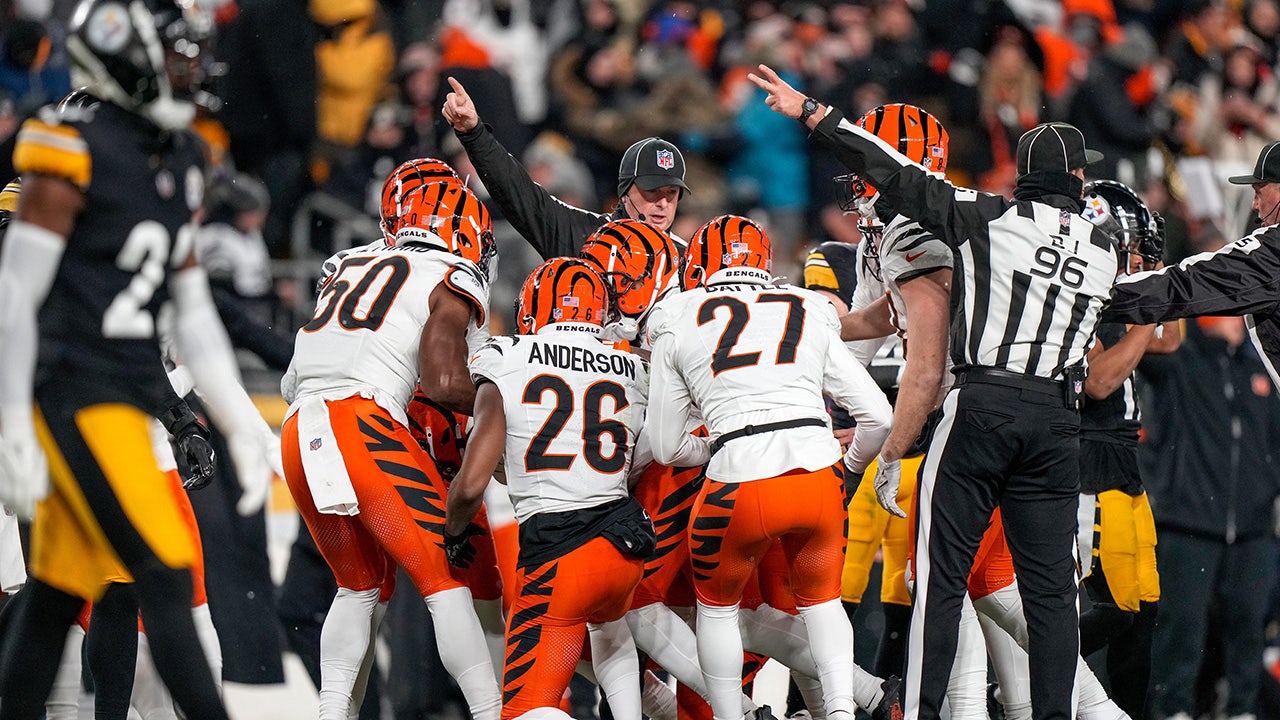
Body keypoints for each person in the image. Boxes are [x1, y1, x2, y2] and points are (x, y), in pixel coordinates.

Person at [749, 66, 1119, 720]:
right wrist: (822, 322)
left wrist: (886, 452)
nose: (857, 184)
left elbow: (924, 366)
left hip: (964, 422)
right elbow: (894, 316)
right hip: (1050, 423)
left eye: (870, 166)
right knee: (1018, 596)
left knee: (946, 585)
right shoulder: (1090, 244)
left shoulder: (953, 223)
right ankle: (1086, 709)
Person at [0, 2, 280, 718]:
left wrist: (245, 425)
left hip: (127, 397)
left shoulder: (179, 158)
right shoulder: (70, 148)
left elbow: (194, 309)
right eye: (179, 54)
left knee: (59, 595)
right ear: (127, 55)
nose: (194, 69)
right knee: (163, 570)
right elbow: (15, 298)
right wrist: (13, 419)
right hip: (73, 393)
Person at [645, 214, 897, 720]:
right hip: (816, 475)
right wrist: (847, 469)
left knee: (717, 610)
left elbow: (666, 447)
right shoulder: (806, 306)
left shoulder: (677, 316)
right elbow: (879, 417)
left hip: (735, 480)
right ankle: (842, 711)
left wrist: (713, 448)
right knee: (822, 604)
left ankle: (731, 715)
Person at [279, 180, 501, 720]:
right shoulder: (448, 274)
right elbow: (443, 381)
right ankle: (492, 711)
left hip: (297, 428)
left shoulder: (348, 264)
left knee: (357, 588)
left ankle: (332, 712)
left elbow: (291, 381)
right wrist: (506, 401)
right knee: (444, 583)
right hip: (363, 421)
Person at [444, 257, 660, 720]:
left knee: (525, 710)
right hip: (624, 548)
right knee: (610, 638)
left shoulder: (506, 355)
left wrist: (454, 529)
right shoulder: (634, 366)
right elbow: (647, 449)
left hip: (559, 551)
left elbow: (472, 482)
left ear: (531, 309)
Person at [1137, 315, 1280, 720]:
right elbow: (1148, 351)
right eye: (1231, 310)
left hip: (1252, 527)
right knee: (1182, 624)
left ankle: (1242, 709)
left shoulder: (1259, 368)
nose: (1240, 319)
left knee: (1248, 624)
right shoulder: (1180, 360)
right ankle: (1172, 709)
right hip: (1189, 522)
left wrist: (1267, 491)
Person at [1076, 180, 1180, 720]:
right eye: (1135, 247)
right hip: (1089, 463)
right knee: (1112, 609)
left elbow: (1172, 339)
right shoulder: (1078, 299)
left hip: (1122, 463)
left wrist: (1159, 285)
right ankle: (1018, 676)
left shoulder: (1117, 301)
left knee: (1143, 610)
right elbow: (1098, 382)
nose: (1141, 258)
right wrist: (1143, 322)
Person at [442, 76, 689, 257]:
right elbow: (517, 190)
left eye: (671, 193)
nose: (663, 203)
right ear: (625, 192)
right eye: (652, 191)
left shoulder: (689, 262)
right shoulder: (583, 234)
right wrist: (474, 134)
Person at [1104, 140, 1280, 386]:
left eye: (1259, 192)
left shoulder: (1273, 253)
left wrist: (1096, 296)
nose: (1255, 204)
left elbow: (1186, 285)